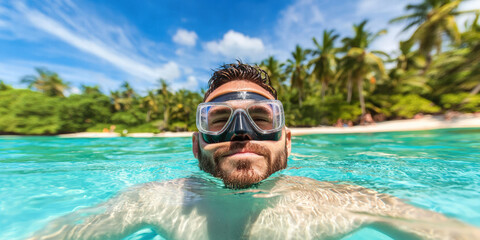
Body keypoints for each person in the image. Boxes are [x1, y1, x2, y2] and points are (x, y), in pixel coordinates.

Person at [30, 63, 480, 240]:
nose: (242, 133)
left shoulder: (345, 202)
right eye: (219, 119)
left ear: (288, 139)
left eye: (261, 119)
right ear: (196, 142)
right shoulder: (153, 201)